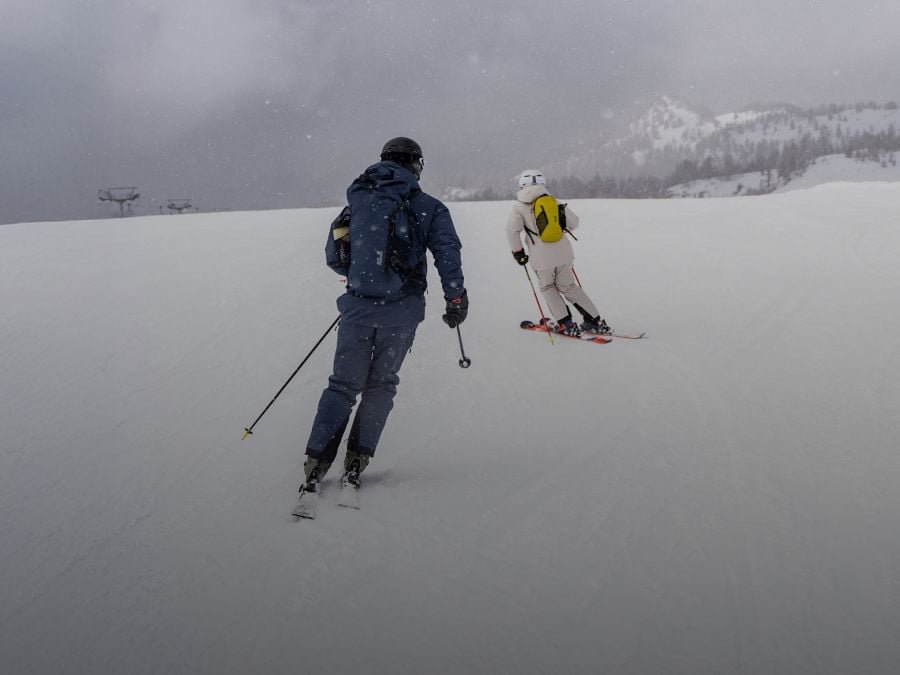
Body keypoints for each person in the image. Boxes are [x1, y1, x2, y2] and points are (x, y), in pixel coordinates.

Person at [301, 137, 467, 492]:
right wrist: (456, 299)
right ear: (417, 165)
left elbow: (335, 255)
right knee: (381, 384)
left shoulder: (357, 201)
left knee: (342, 384)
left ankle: (316, 462)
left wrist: (365, 278)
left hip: (357, 309)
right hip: (402, 312)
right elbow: (447, 254)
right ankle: (357, 460)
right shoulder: (429, 207)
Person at [506, 169, 610, 337]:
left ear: (522, 185)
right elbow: (574, 223)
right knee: (568, 286)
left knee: (548, 287)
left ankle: (566, 324)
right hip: (564, 253)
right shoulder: (553, 201)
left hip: (541, 258)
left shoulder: (519, 207)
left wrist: (518, 253)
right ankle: (595, 321)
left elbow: (511, 231)